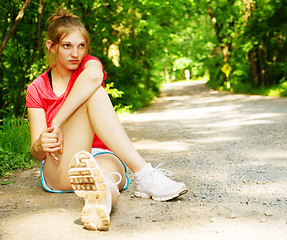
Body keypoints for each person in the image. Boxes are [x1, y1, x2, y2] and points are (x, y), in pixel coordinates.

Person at [26, 8, 188, 231]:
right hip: (61, 166)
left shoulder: (88, 65)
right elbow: (36, 153)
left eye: (81, 46)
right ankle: (144, 174)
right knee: (94, 92)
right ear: (51, 46)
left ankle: (99, 205)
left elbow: (93, 76)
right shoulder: (37, 88)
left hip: (100, 156)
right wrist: (41, 142)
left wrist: (55, 123)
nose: (76, 53)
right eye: (67, 46)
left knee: (106, 179)